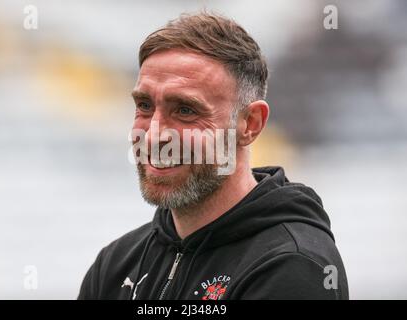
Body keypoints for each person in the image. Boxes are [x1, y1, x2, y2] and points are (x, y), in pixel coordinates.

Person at [78, 12, 348, 300]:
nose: (154, 135)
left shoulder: (293, 266)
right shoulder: (116, 265)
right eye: (144, 105)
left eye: (184, 110)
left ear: (250, 124)